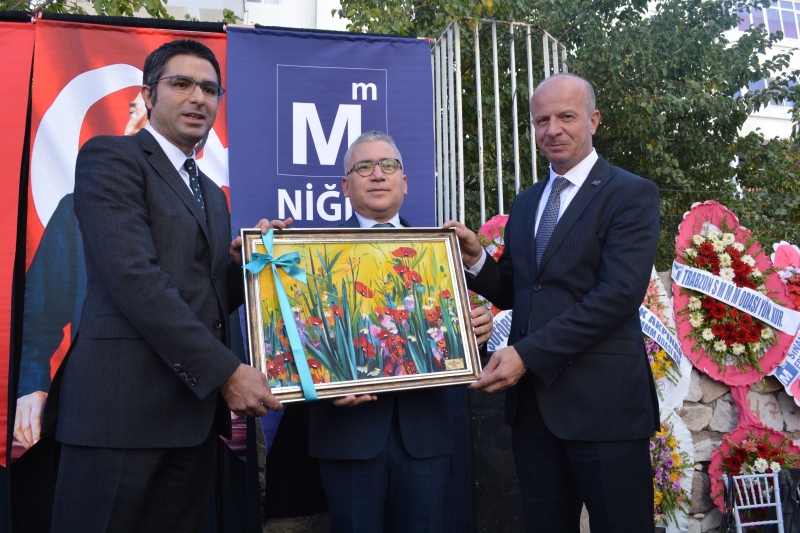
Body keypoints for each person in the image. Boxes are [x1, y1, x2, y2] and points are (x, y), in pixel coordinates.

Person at [50, 39, 282, 533]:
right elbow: (135, 278)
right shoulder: (111, 157)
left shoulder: (212, 195)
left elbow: (207, 296)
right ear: (148, 95)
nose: (198, 97)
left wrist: (248, 268)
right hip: (119, 414)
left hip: (191, 420)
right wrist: (226, 373)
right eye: (182, 84)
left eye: (210, 90)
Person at [445, 73, 661, 533]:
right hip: (534, 413)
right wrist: (477, 258)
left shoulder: (629, 193)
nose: (553, 129)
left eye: (566, 117)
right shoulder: (526, 203)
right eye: (542, 120)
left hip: (605, 407)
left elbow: (618, 295)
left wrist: (526, 355)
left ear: (593, 121)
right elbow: (519, 291)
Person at [272, 130, 494, 532]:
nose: (377, 174)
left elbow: (454, 345)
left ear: (404, 182)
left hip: (425, 441)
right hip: (346, 441)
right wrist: (323, 386)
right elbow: (293, 347)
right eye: (364, 167)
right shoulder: (310, 254)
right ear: (345, 186)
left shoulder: (438, 254)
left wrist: (475, 330)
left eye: (388, 165)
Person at [15, 93, 151, 452]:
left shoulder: (209, 209)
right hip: (95, 415)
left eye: (152, 116)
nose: (135, 127)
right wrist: (31, 387)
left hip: (183, 422)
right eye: (135, 112)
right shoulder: (75, 211)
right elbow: (36, 319)